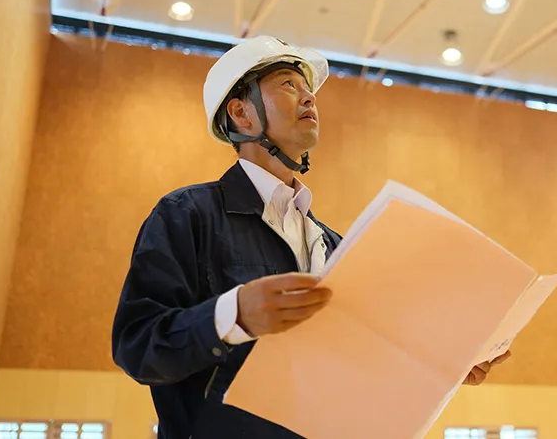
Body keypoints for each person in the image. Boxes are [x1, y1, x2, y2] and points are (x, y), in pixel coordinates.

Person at [111, 36, 510, 439]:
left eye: (309, 89)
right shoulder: (187, 215)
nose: (309, 98)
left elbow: (359, 363)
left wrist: (441, 366)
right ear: (241, 113)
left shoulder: (335, 245)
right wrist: (234, 315)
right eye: (289, 84)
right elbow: (136, 346)